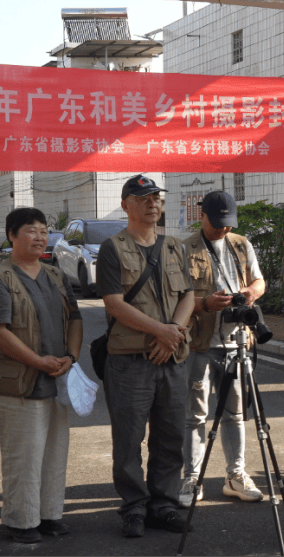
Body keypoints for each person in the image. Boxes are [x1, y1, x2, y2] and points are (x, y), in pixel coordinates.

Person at [97, 175, 195, 538]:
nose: (153, 204)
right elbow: (113, 303)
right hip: (130, 361)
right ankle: (134, 508)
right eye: (143, 198)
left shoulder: (174, 247)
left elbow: (187, 294)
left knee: (170, 436)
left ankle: (164, 505)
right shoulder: (113, 247)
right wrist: (161, 331)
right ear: (126, 205)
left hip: (170, 356)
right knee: (128, 440)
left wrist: (173, 334)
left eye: (157, 198)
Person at [0, 208, 82, 543]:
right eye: (30, 230)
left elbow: (76, 319)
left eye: (44, 231)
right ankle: (20, 521)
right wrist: (38, 362)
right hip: (20, 382)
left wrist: (71, 356)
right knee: (23, 455)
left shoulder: (55, 274)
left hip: (57, 377)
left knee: (55, 452)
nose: (40, 237)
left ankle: (50, 515)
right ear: (11, 235)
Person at [180, 191, 266, 507]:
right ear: (201, 216)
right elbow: (176, 297)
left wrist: (249, 293)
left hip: (237, 342)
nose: (223, 230)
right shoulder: (184, 248)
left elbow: (259, 281)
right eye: (217, 224)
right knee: (195, 414)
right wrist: (204, 304)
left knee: (235, 413)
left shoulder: (242, 244)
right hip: (200, 344)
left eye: (228, 224)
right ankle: (191, 478)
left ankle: (236, 475)